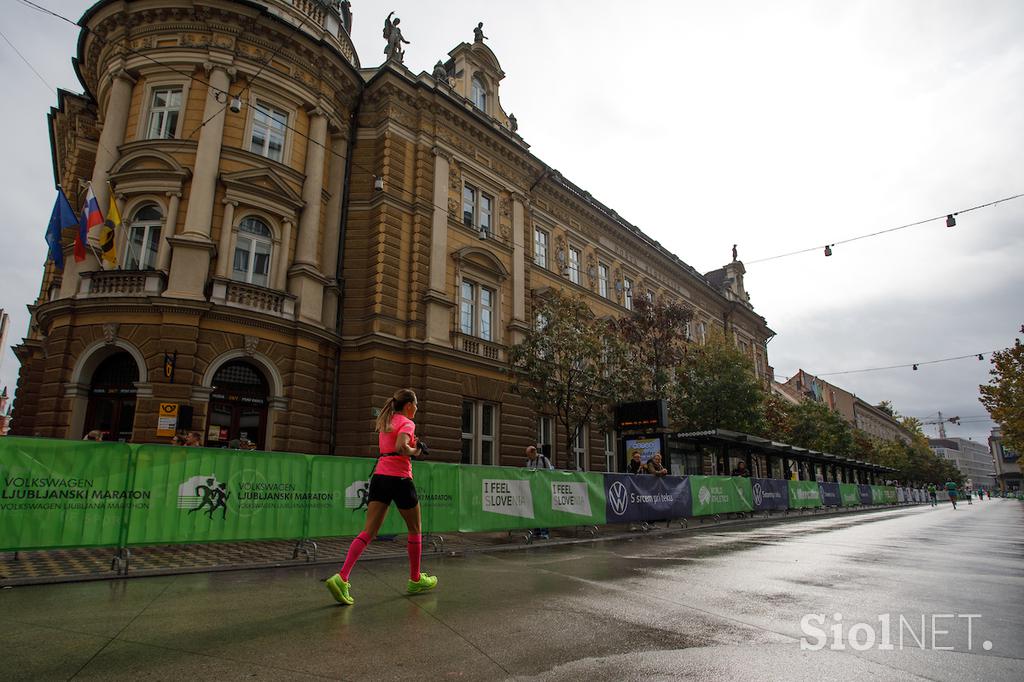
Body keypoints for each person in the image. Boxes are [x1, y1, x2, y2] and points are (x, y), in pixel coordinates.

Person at [326, 388, 437, 605]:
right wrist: (416, 451)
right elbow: (401, 447)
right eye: (416, 404)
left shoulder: (387, 421)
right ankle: (415, 579)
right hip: (401, 479)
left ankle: (342, 577)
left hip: (380, 477)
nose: (417, 408)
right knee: (415, 529)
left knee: (369, 531)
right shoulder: (407, 422)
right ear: (408, 405)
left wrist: (409, 446)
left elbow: (392, 446)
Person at [525, 446, 553, 539]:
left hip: (543, 489)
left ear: (534, 452)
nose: (528, 457)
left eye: (529, 455)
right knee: (535, 510)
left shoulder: (544, 460)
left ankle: (545, 532)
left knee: (543, 510)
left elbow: (551, 472)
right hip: (533, 489)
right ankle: (537, 531)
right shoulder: (529, 462)